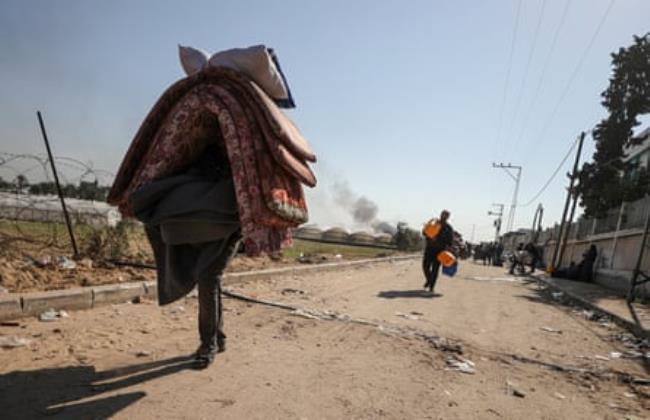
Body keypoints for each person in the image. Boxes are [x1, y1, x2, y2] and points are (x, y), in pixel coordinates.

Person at [422, 210, 454, 294]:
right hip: (429, 248)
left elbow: (450, 241)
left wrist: (445, 246)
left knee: (435, 269)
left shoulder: (449, 228)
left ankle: (432, 287)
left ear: (448, 217)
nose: (444, 217)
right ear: (440, 215)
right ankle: (429, 280)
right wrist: (430, 236)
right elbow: (424, 232)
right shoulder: (433, 223)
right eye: (443, 215)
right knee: (425, 266)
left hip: (440, 251)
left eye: (446, 216)